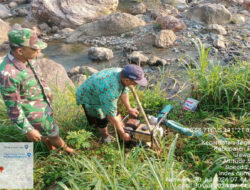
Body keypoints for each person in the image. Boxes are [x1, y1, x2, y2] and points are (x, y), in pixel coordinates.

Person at [0, 28, 74, 154]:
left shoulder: (29, 58)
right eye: (35, 49)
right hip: (32, 113)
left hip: (43, 103)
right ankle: (68, 150)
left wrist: (47, 90)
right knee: (53, 134)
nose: (39, 50)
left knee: (46, 133)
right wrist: (27, 129)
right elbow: (13, 108)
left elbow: (38, 75)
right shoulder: (8, 74)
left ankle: (53, 150)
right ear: (20, 51)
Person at [76, 64, 147, 143]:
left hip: (100, 90)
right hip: (89, 97)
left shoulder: (122, 73)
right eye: (136, 83)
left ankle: (121, 129)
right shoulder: (110, 91)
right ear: (127, 80)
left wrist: (129, 108)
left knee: (113, 111)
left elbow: (124, 91)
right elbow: (111, 116)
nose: (136, 85)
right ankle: (105, 137)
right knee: (101, 118)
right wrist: (122, 133)